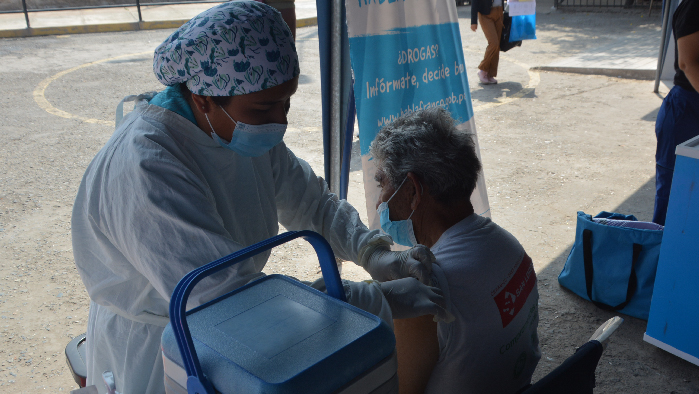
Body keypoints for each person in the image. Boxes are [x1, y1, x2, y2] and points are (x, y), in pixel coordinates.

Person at [71, 2, 440, 393]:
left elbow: (313, 204)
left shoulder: (239, 135)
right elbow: (234, 307)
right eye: (265, 107)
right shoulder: (147, 169)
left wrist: (374, 253)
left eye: (287, 102)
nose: (280, 121)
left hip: (224, 331)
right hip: (161, 348)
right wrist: (370, 302)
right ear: (203, 99)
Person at [370, 107, 541, 394]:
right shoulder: (508, 246)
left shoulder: (422, 294)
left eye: (382, 183)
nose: (379, 203)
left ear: (413, 190)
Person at [653, 0, 699, 225]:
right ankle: (665, 259)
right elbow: (688, 63)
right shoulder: (694, 6)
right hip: (687, 112)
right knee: (676, 201)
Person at [471, 0, 504, 85]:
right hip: (485, 14)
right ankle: (483, 69)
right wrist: (473, 21)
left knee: (497, 45)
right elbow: (474, 2)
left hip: (499, 12)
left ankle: (490, 74)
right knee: (494, 43)